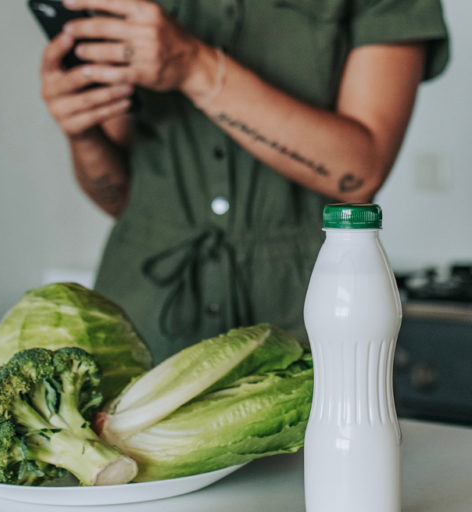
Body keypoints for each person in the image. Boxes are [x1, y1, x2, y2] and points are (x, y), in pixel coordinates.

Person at [39, 0, 449, 361]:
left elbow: (359, 173)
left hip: (302, 310)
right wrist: (83, 134)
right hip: (139, 317)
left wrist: (194, 66)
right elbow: (121, 198)